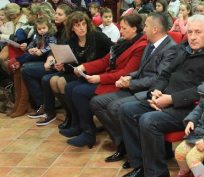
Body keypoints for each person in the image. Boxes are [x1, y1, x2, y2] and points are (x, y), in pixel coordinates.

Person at [117, 15, 204, 177]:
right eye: (190, 32)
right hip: (166, 98)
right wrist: (156, 91)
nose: (192, 37)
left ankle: (157, 174)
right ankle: (140, 164)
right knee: (126, 110)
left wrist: (171, 99)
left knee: (148, 120)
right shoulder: (184, 47)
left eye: (198, 32)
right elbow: (166, 73)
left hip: (191, 108)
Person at [90, 13, 177, 165]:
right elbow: (142, 69)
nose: (144, 30)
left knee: (115, 107)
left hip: (151, 90)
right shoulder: (151, 43)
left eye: (146, 26)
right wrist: (129, 77)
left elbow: (159, 78)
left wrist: (131, 84)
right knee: (96, 103)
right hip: (137, 85)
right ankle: (124, 143)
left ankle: (137, 149)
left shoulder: (170, 49)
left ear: (155, 29)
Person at [62, 13, 148, 148]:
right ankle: (78, 125)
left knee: (79, 91)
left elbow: (125, 73)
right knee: (69, 87)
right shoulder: (123, 42)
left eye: (124, 28)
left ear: (134, 29)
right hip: (111, 77)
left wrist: (99, 78)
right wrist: (84, 67)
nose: (120, 31)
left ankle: (88, 132)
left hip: (120, 83)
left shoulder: (140, 46)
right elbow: (104, 61)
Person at [38, 11, 114, 127]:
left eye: (83, 24)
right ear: (72, 28)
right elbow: (70, 64)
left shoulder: (97, 36)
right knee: (53, 80)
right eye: (77, 25)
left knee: (61, 81)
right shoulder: (70, 40)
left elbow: (113, 52)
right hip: (77, 72)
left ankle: (76, 118)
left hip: (96, 72)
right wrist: (62, 67)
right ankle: (71, 114)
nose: (82, 28)